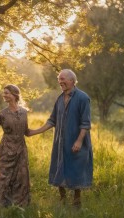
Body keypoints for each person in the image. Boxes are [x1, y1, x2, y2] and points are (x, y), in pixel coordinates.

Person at [27, 69, 93, 208]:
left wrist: (79, 141)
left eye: (63, 79)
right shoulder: (59, 99)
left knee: (76, 169)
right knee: (59, 167)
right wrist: (34, 132)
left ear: (72, 80)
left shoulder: (83, 98)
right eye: (59, 80)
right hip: (60, 142)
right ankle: (62, 199)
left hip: (75, 141)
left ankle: (77, 201)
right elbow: (52, 121)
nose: (60, 82)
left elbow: (86, 124)